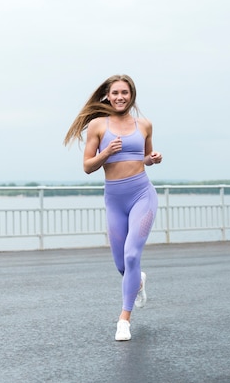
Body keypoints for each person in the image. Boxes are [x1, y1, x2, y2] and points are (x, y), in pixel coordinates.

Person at [64, 74, 162, 341]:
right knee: (122, 264)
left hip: (142, 194)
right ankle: (138, 282)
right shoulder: (98, 125)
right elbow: (87, 166)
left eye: (125, 93)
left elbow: (143, 158)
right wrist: (106, 153)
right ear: (108, 95)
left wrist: (153, 159)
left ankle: (123, 320)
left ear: (132, 96)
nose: (120, 97)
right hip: (115, 200)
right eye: (116, 92)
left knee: (131, 256)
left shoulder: (144, 124)